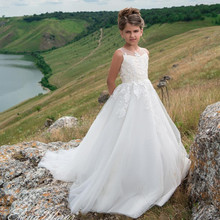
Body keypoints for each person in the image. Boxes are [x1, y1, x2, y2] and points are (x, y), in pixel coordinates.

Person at [38, 7, 191, 219]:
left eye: (136, 31)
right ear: (121, 33)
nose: (132, 36)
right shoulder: (120, 54)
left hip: (146, 97)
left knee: (150, 133)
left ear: (142, 31)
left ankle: (151, 172)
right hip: (127, 99)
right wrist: (118, 100)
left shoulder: (146, 52)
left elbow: (143, 76)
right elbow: (111, 80)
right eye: (128, 32)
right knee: (123, 137)